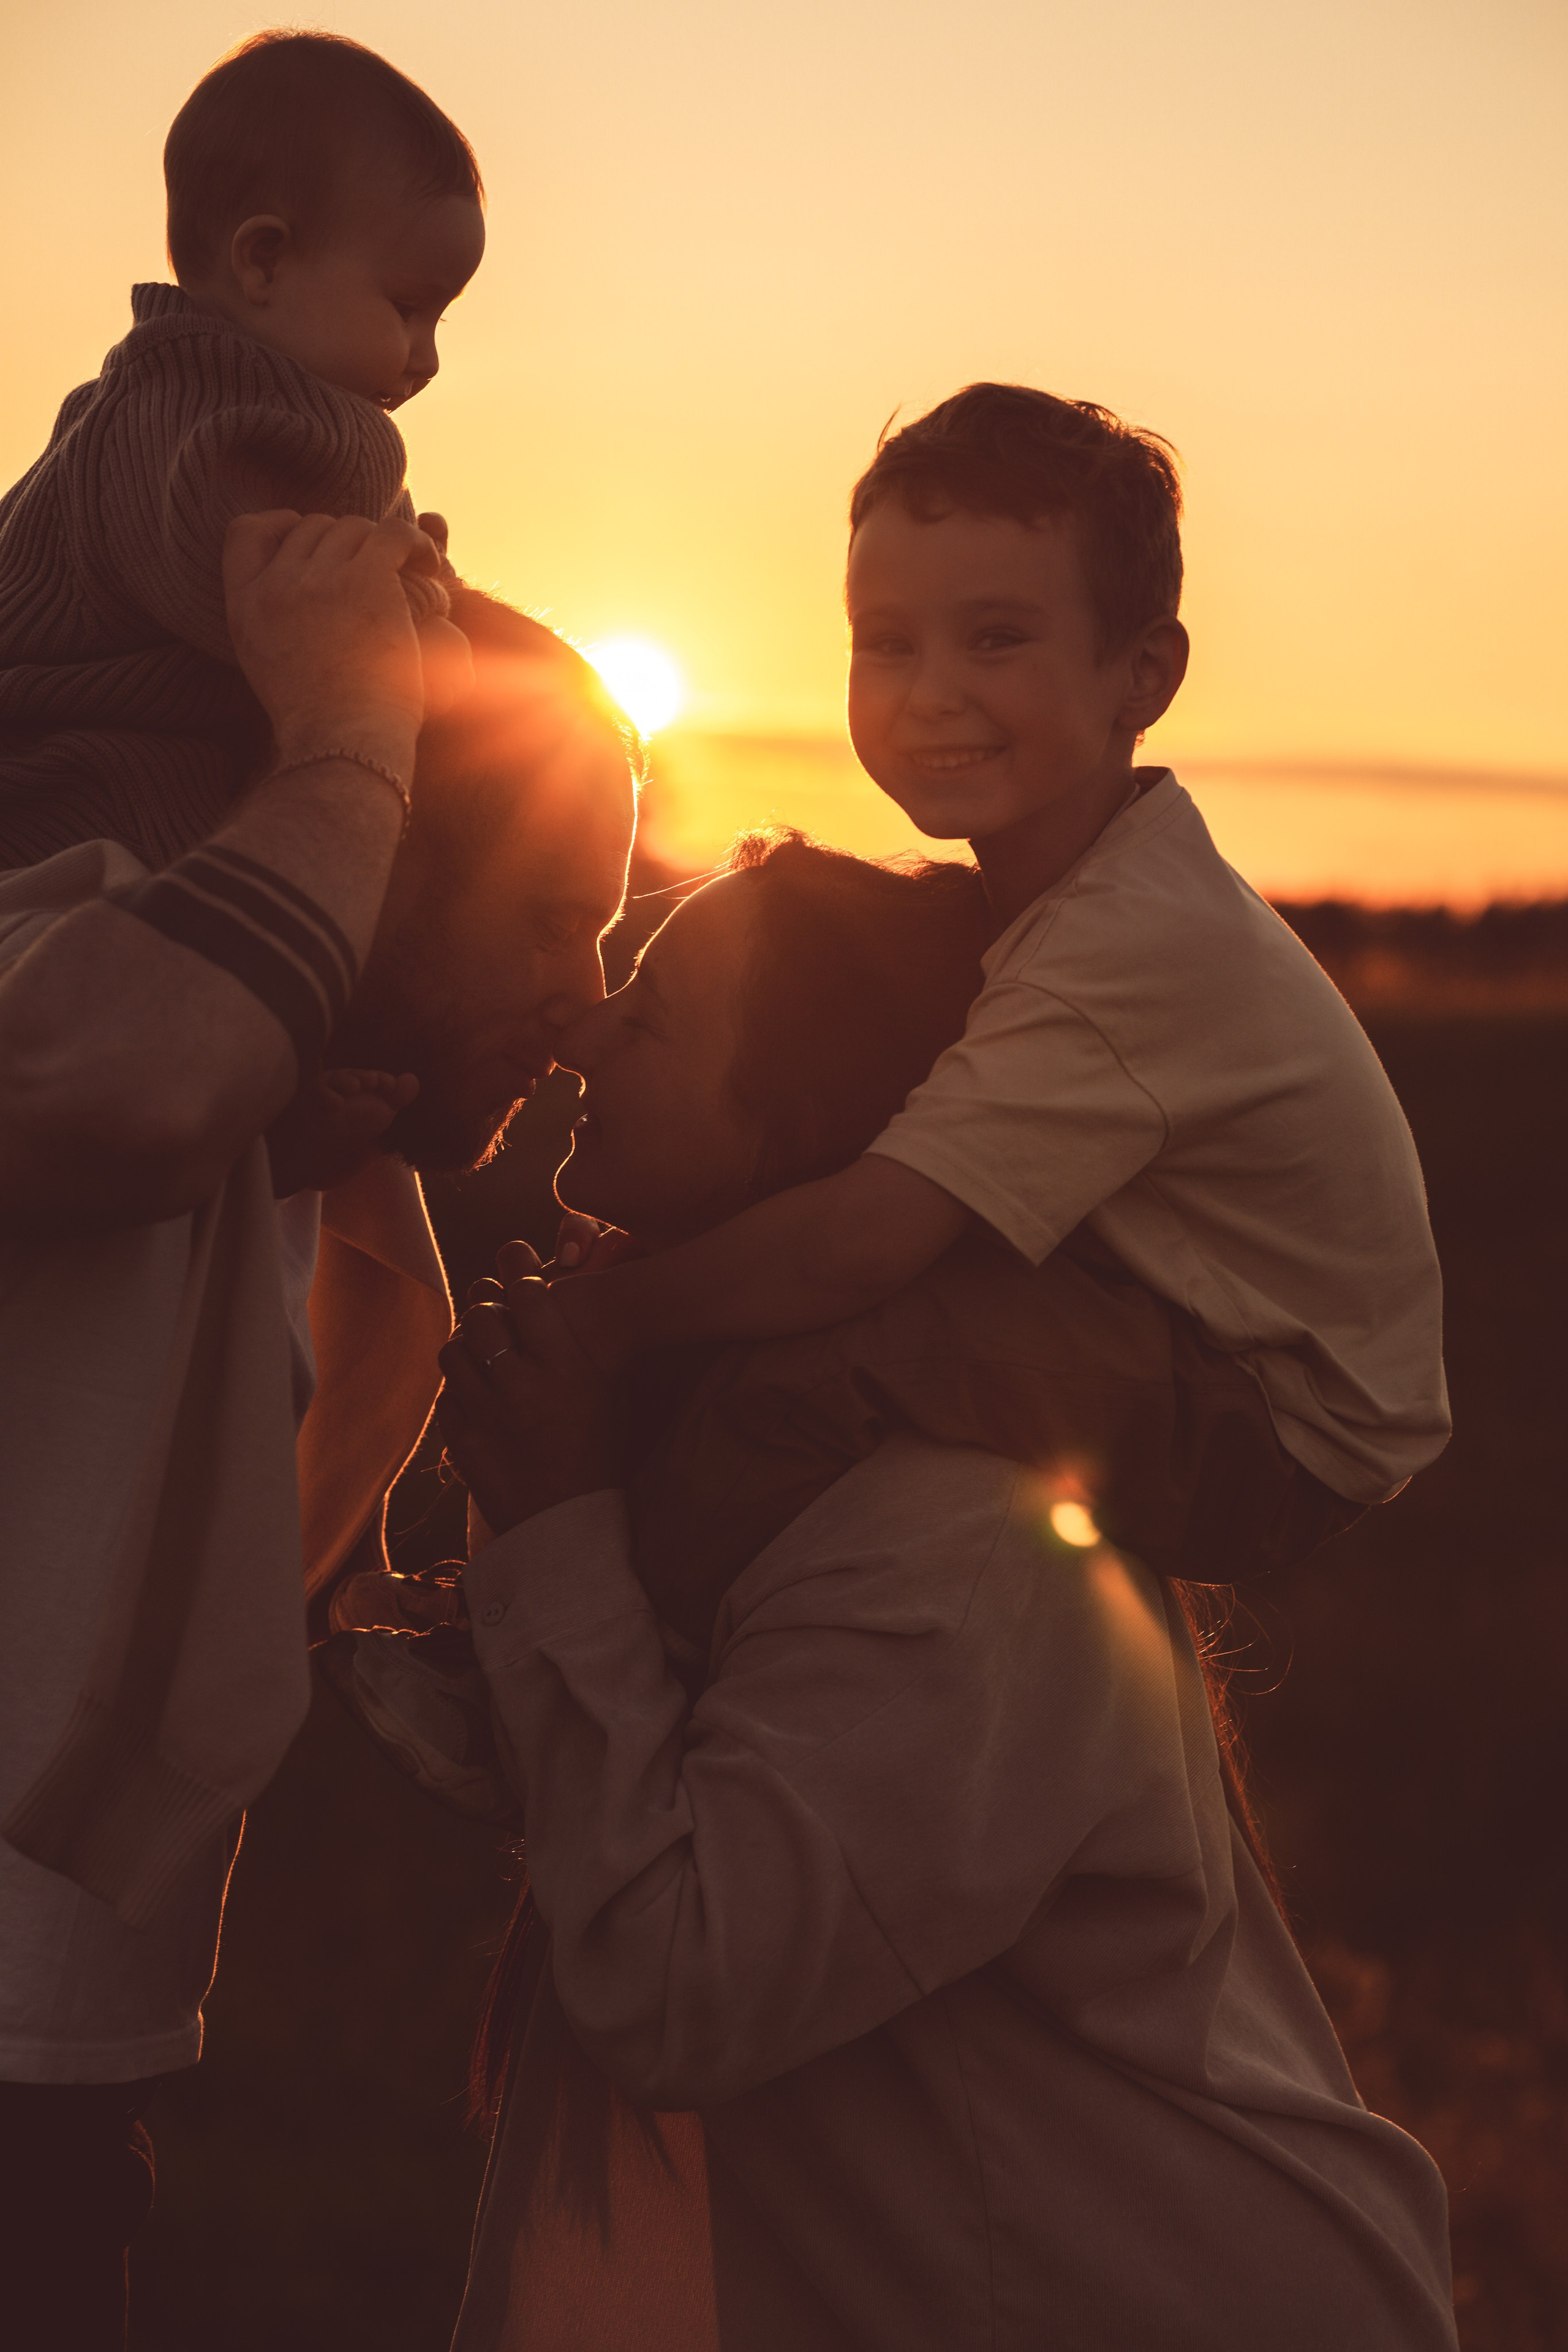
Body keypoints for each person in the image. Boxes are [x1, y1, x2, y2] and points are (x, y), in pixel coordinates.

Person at [432, 835, 1460, 2351]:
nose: (580, 1031)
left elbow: (675, 1986)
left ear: (802, 1129)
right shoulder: (771, 1454)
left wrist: (556, 1530)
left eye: (648, 1017)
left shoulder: (952, 1541)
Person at [0, 518, 636, 2348]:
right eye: (542, 913)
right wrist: (356, 726)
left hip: (76, 2075)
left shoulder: (336, 1183)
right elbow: (93, 1083)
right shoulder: (63, 972)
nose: (584, 1002)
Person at [552, 384, 1450, 1562]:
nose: (931, 691)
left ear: (1143, 676)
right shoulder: (1076, 897)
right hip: (1174, 1335)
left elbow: (862, 1240)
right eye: (890, 642)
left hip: (1277, 1417)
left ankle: (627, 1635)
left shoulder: (1130, 946)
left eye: (996, 638)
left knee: (832, 1345)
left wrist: (605, 1323)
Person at [0, 28, 484, 870]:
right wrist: (431, 619)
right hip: (70, 825)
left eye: (440, 319)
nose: (426, 356)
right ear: (264, 261)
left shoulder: (166, 398)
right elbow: (315, 629)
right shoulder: (216, 429)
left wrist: (417, 575)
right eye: (407, 308)